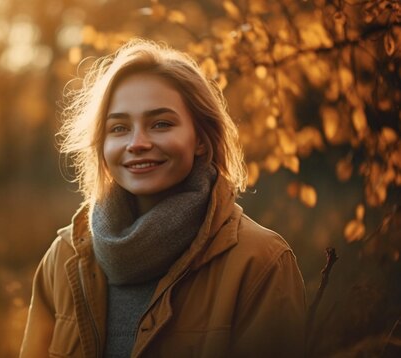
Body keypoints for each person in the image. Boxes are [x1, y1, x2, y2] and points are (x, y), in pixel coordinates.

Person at [20, 39, 306, 357]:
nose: (137, 143)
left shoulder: (261, 262)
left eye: (161, 124)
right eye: (118, 128)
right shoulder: (63, 259)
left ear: (199, 138)